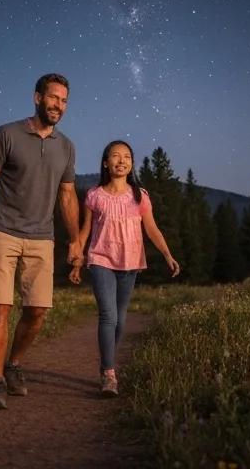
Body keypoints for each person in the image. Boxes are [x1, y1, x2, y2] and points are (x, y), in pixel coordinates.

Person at [0, 73, 82, 409]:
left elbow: (67, 196)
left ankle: (14, 364)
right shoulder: (7, 133)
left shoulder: (66, 147)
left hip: (42, 237)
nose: (58, 106)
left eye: (64, 100)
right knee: (0, 308)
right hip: (3, 230)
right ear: (37, 98)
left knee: (37, 311)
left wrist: (76, 239)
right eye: (53, 98)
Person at [69, 140, 180, 396]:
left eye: (127, 157)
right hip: (101, 259)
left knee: (120, 319)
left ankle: (107, 361)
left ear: (131, 164)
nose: (121, 161)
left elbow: (151, 229)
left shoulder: (140, 196)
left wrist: (167, 255)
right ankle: (109, 373)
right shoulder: (94, 195)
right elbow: (85, 232)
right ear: (106, 163)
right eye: (115, 156)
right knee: (108, 316)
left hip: (130, 261)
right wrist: (78, 260)